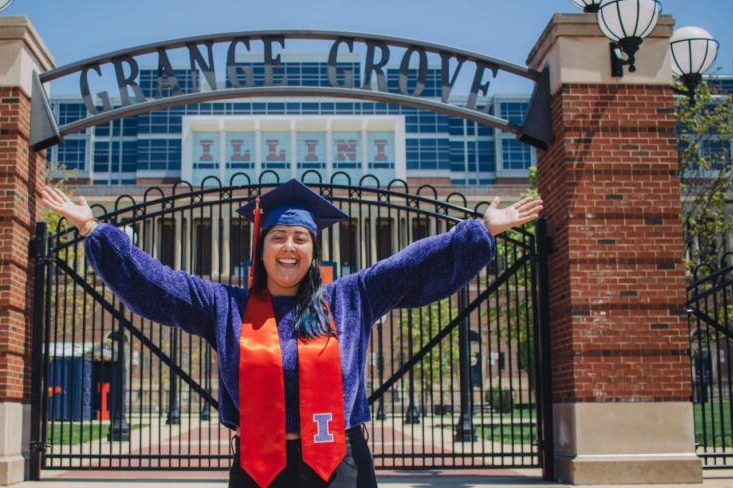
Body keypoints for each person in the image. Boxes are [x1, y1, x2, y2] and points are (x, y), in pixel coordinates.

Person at [42, 180, 543, 488]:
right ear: (260, 250)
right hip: (259, 468)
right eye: (278, 236)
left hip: (338, 464)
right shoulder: (226, 307)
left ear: (313, 250)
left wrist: (479, 231)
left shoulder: (348, 299)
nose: (289, 246)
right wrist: (94, 232)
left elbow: (411, 267)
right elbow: (158, 285)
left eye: (300, 238)